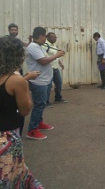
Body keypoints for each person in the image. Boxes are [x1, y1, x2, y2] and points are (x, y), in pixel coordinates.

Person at [0, 36, 44, 188]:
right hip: (7, 137)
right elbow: (25, 110)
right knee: (10, 174)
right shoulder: (16, 81)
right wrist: (26, 84)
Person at [26, 27, 65, 140]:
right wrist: (57, 55)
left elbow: (46, 58)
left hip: (45, 80)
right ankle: (32, 130)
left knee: (42, 104)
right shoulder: (33, 47)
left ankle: (39, 122)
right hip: (39, 82)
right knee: (39, 105)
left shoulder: (39, 46)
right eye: (45, 36)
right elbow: (43, 61)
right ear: (41, 36)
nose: (46, 38)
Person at [44, 32, 68, 105]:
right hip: (49, 69)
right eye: (52, 37)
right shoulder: (45, 45)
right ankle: (46, 101)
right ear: (47, 37)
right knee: (48, 86)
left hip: (55, 68)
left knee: (59, 84)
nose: (54, 39)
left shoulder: (53, 45)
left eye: (55, 37)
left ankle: (58, 98)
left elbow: (56, 55)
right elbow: (43, 57)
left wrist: (60, 63)